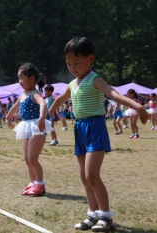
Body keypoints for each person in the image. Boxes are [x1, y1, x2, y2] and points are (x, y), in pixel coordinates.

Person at [49, 37, 148, 232]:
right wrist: (49, 111)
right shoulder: (72, 84)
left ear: (90, 59)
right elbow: (61, 97)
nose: (73, 67)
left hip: (95, 127)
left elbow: (113, 94)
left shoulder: (95, 79)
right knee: (84, 177)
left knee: (92, 175)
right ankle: (92, 214)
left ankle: (106, 215)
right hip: (79, 128)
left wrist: (138, 106)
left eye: (77, 63)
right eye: (69, 64)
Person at [6, 63, 52, 196]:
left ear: (32, 78)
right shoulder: (23, 94)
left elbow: (43, 103)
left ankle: (40, 184)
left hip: (36, 127)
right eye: (19, 78)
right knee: (27, 158)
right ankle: (32, 183)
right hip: (26, 126)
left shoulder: (35, 93)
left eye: (22, 78)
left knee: (32, 158)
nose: (20, 82)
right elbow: (15, 107)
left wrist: (42, 117)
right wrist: (9, 117)